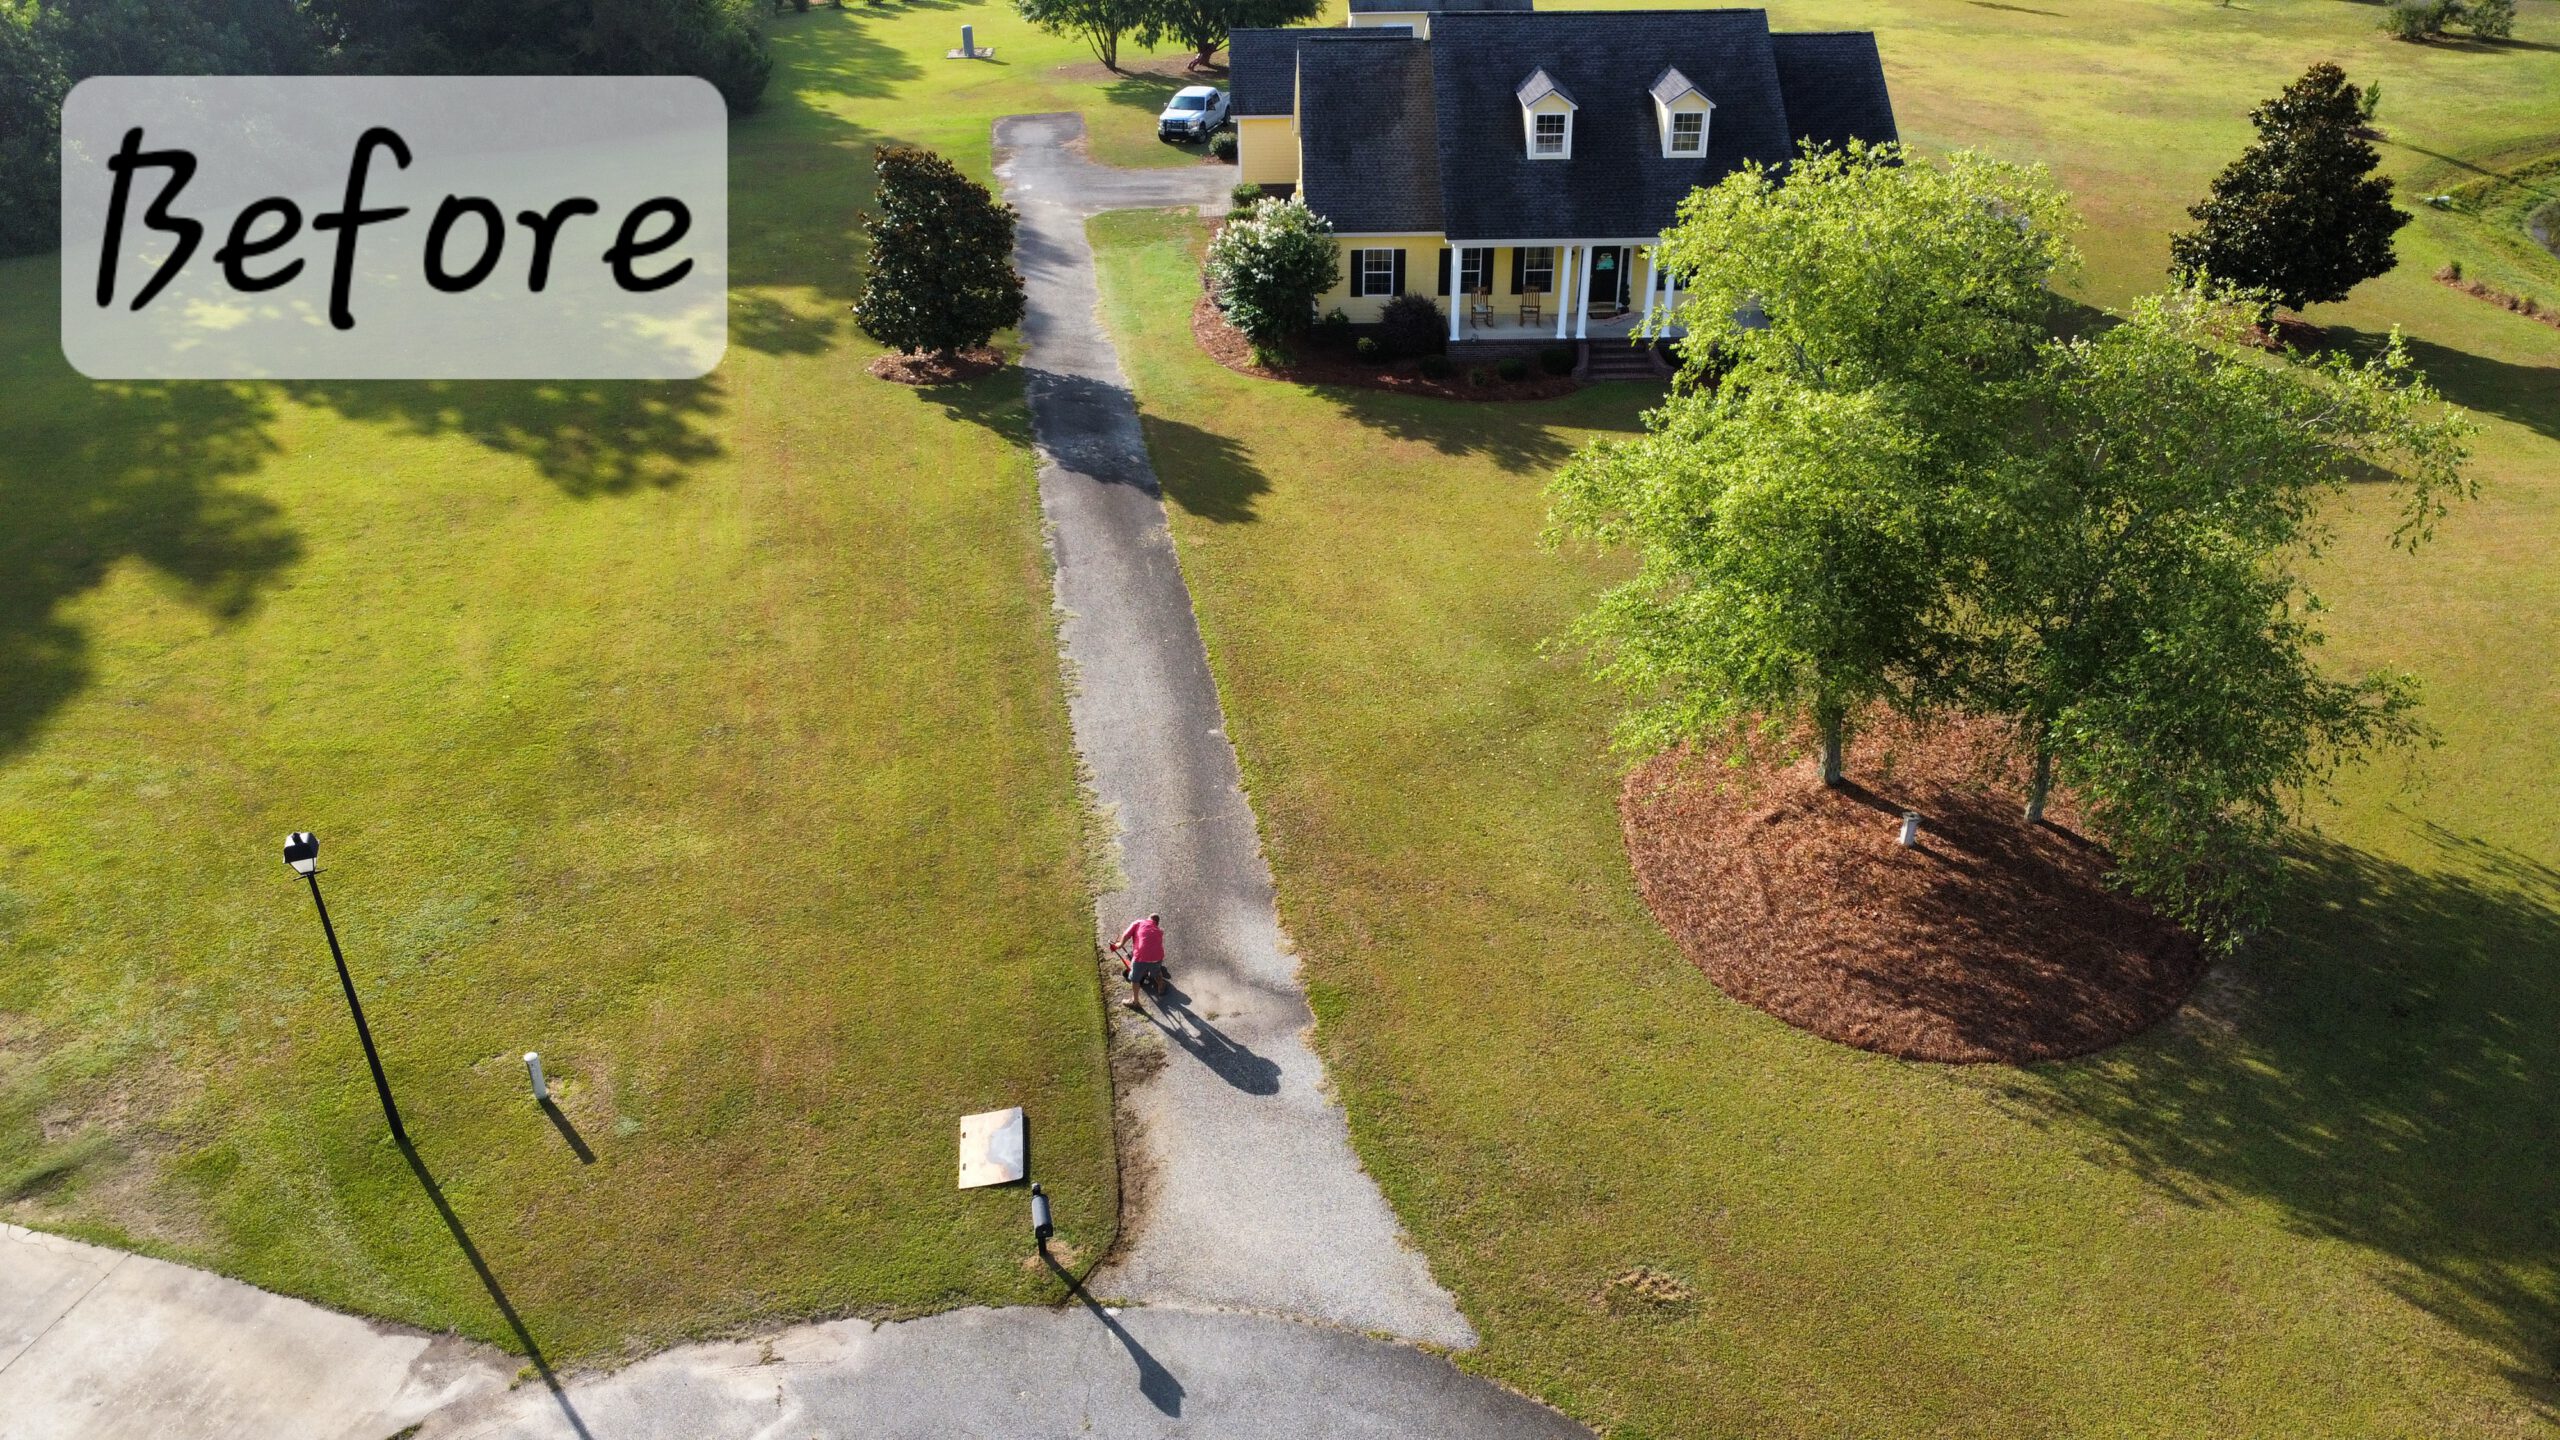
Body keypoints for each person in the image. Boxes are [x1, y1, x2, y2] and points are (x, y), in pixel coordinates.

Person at [1112, 913, 1168, 1009]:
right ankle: (1161, 986)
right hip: (1157, 956)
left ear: (1149, 918)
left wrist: (1120, 944)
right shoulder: (1159, 930)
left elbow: (1126, 934)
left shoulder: (1139, 922)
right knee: (1157, 971)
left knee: (1135, 978)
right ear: (1157, 923)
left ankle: (1135, 1002)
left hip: (1140, 957)